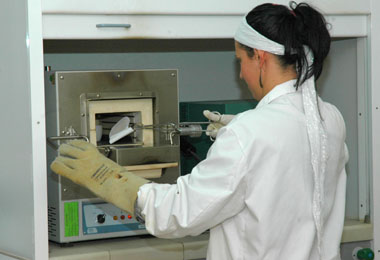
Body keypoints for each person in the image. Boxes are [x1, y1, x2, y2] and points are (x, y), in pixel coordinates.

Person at [51, 2, 348, 260]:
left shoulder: (250, 133)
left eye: (240, 60)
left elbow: (179, 214)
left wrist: (108, 176)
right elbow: (290, 155)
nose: (241, 73)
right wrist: (243, 129)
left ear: (260, 57)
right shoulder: (331, 118)